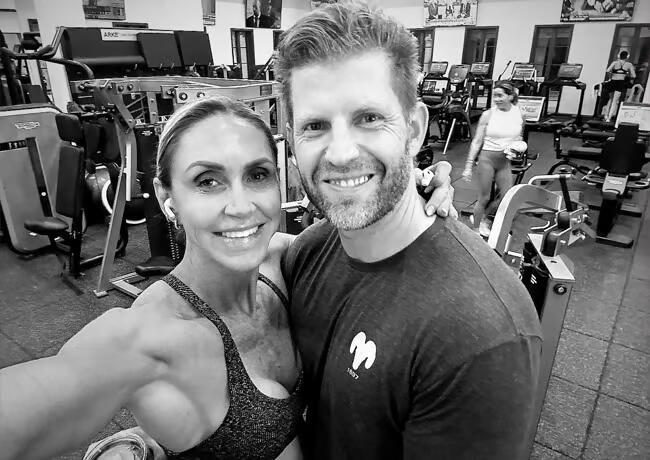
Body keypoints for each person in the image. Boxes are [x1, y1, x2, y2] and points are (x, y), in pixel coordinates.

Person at [0, 98, 455, 458]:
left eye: (257, 175)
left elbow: (365, 225)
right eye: (207, 181)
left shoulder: (283, 259)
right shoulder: (146, 338)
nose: (240, 206)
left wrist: (411, 189)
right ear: (167, 198)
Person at [275, 2, 541, 459]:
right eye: (315, 126)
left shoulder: (480, 337)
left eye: (368, 118)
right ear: (292, 139)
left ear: (414, 129)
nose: (340, 153)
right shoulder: (309, 251)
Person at [462, 80, 525, 238]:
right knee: (484, 197)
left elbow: (519, 137)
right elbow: (477, 141)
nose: (496, 99)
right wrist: (468, 166)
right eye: (494, 96)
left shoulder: (518, 114)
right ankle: (475, 230)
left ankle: (485, 218)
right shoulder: (488, 115)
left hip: (504, 162)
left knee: (507, 197)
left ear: (510, 96)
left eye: (500, 95)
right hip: (487, 160)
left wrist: (517, 148)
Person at [604, 50, 636, 122]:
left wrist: (610, 76)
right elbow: (634, 76)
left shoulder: (615, 63)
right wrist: (627, 75)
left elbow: (607, 71)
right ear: (627, 57)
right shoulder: (629, 64)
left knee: (610, 99)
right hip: (620, 83)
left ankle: (606, 116)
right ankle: (609, 118)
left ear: (619, 56)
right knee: (615, 101)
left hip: (613, 81)